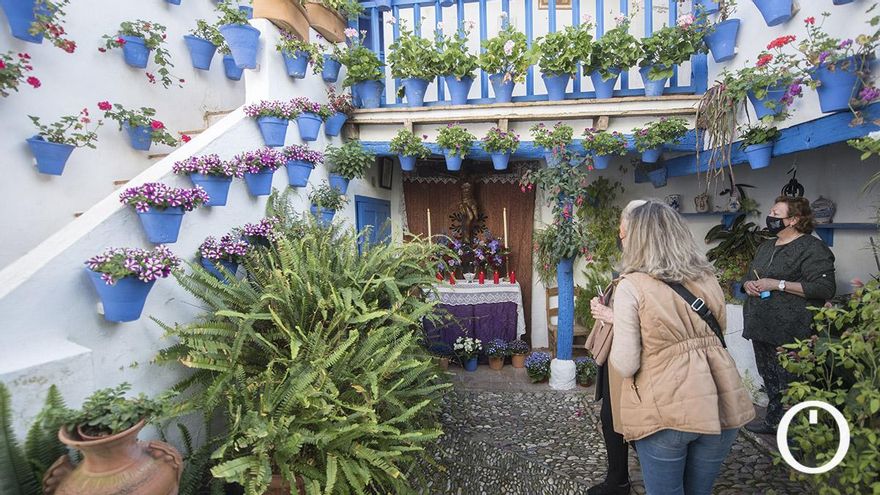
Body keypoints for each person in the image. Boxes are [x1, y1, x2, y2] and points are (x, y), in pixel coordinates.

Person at [591, 200, 755, 495]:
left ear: (638, 238)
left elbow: (626, 363)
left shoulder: (632, 285)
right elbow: (718, 334)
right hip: (720, 399)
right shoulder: (707, 278)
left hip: (667, 407)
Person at [742, 196, 836, 434]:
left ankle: (803, 432)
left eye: (776, 214)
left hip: (792, 329)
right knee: (770, 379)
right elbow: (748, 275)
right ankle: (774, 422)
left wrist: (778, 284)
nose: (771, 217)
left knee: (796, 384)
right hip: (762, 326)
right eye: (771, 212)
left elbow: (824, 288)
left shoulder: (812, 248)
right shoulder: (766, 246)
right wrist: (748, 285)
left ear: (793, 220)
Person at [586, 200, 645, 495]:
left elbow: (654, 323)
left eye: (622, 234)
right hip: (617, 357)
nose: (619, 239)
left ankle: (630, 480)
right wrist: (605, 304)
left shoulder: (654, 272)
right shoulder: (633, 268)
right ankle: (618, 478)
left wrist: (611, 316)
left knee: (632, 422)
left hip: (640, 364)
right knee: (611, 417)